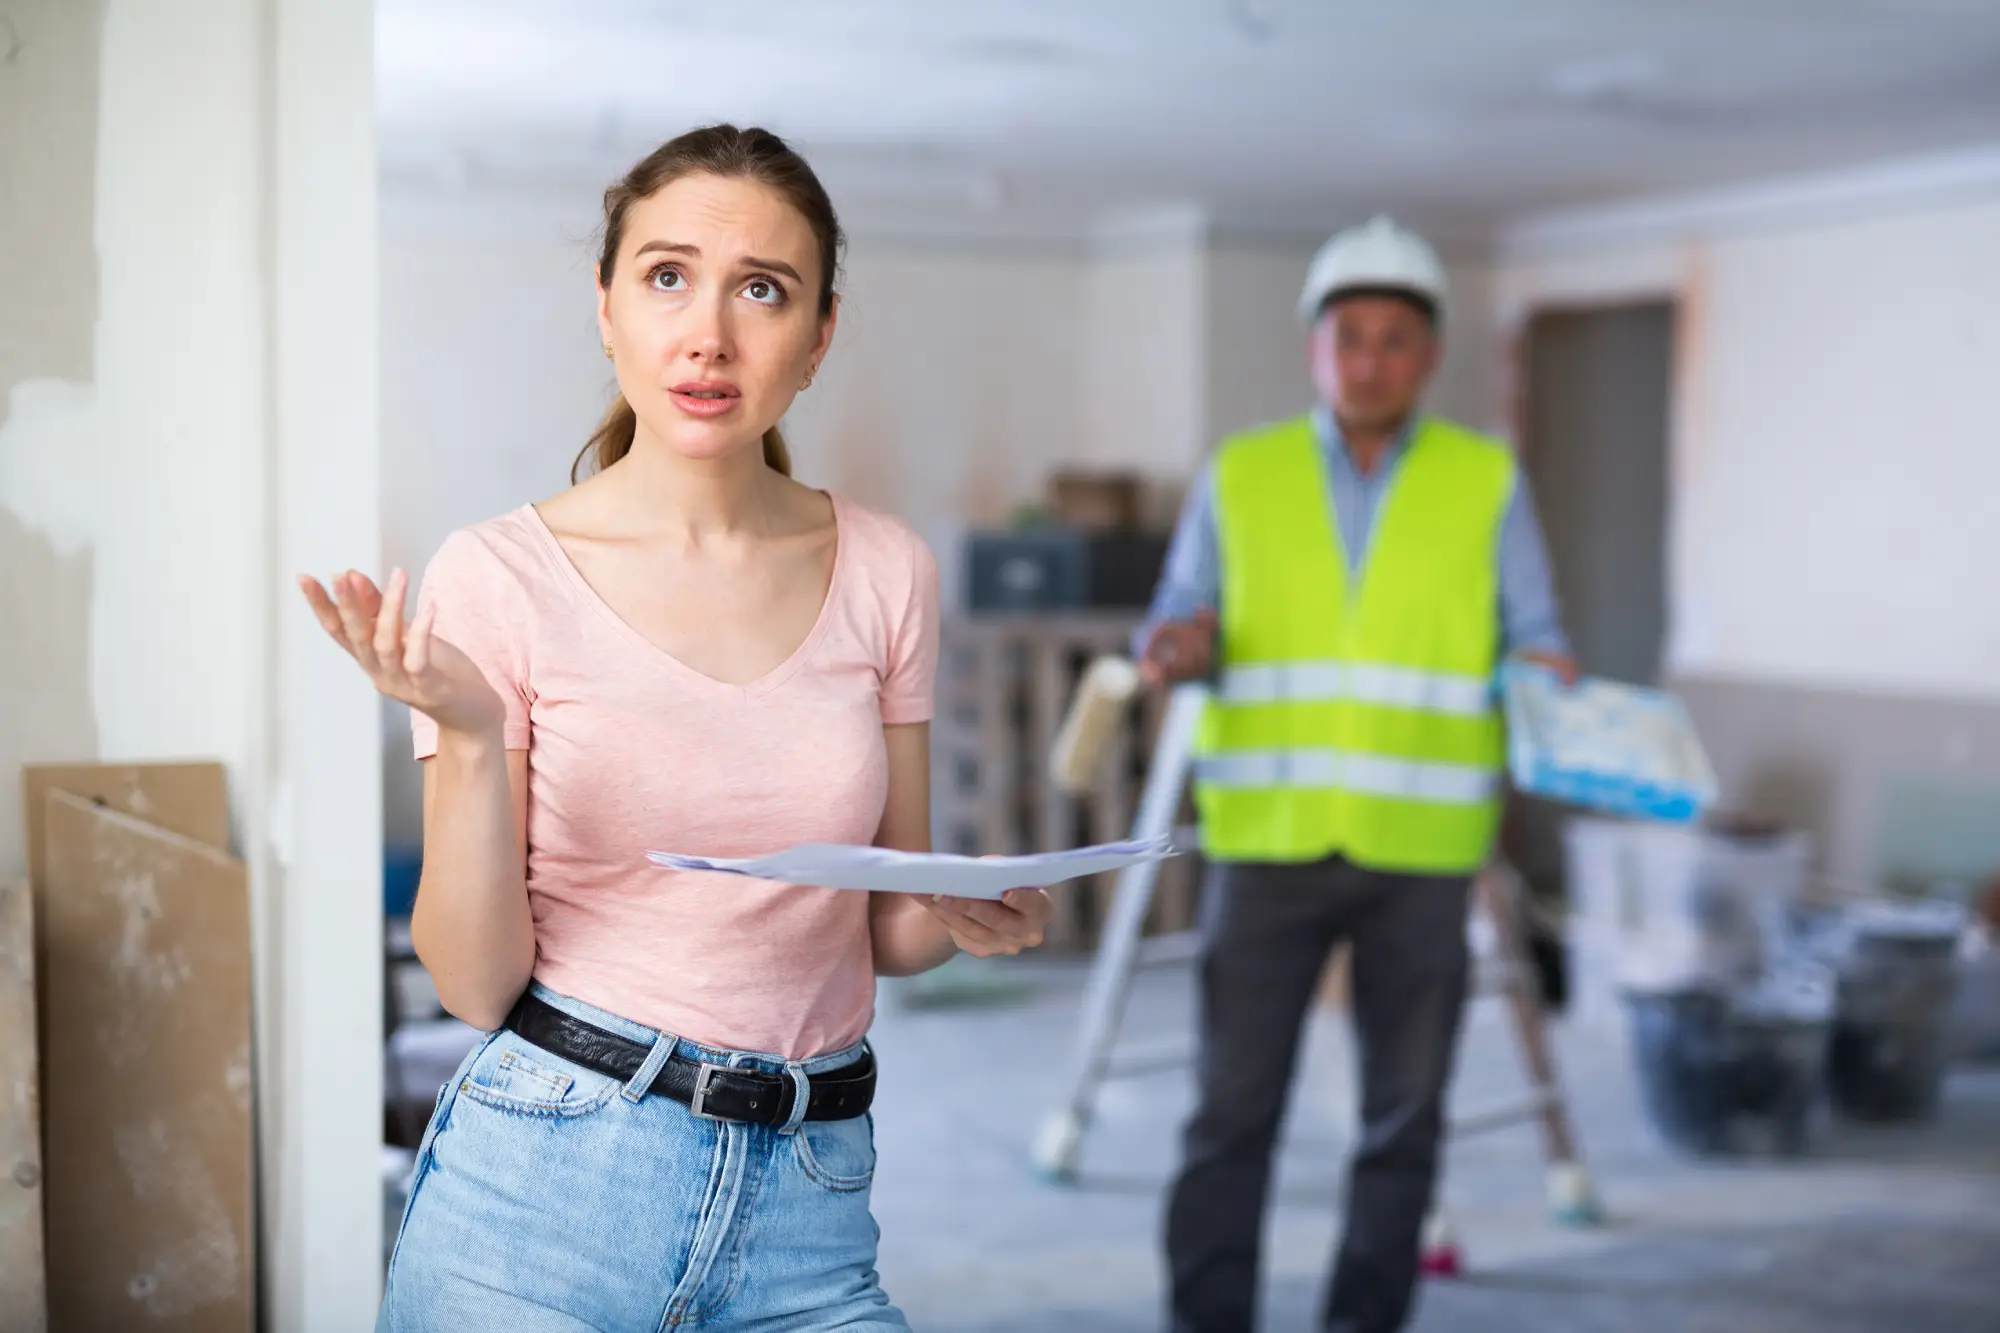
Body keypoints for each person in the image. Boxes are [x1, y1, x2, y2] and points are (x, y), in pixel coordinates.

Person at [299, 124, 1055, 1332]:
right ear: (606, 308)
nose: (709, 333)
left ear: (817, 335)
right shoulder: (498, 575)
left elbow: (888, 924)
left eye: (761, 290)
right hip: (543, 1195)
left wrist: (961, 912)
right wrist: (473, 739)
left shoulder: (886, 570)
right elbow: (472, 980)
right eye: (666, 277)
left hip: (813, 1203)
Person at [1140, 215, 1576, 1333]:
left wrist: (1546, 674)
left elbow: (1534, 634)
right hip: (1264, 844)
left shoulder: (1485, 482)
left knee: (1403, 1122)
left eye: (1393, 339)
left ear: (1427, 356)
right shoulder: (1242, 474)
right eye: (1349, 337)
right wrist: (1179, 645)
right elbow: (1182, 615)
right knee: (1229, 1117)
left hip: (1420, 856)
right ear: (1313, 349)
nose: (1368, 359)